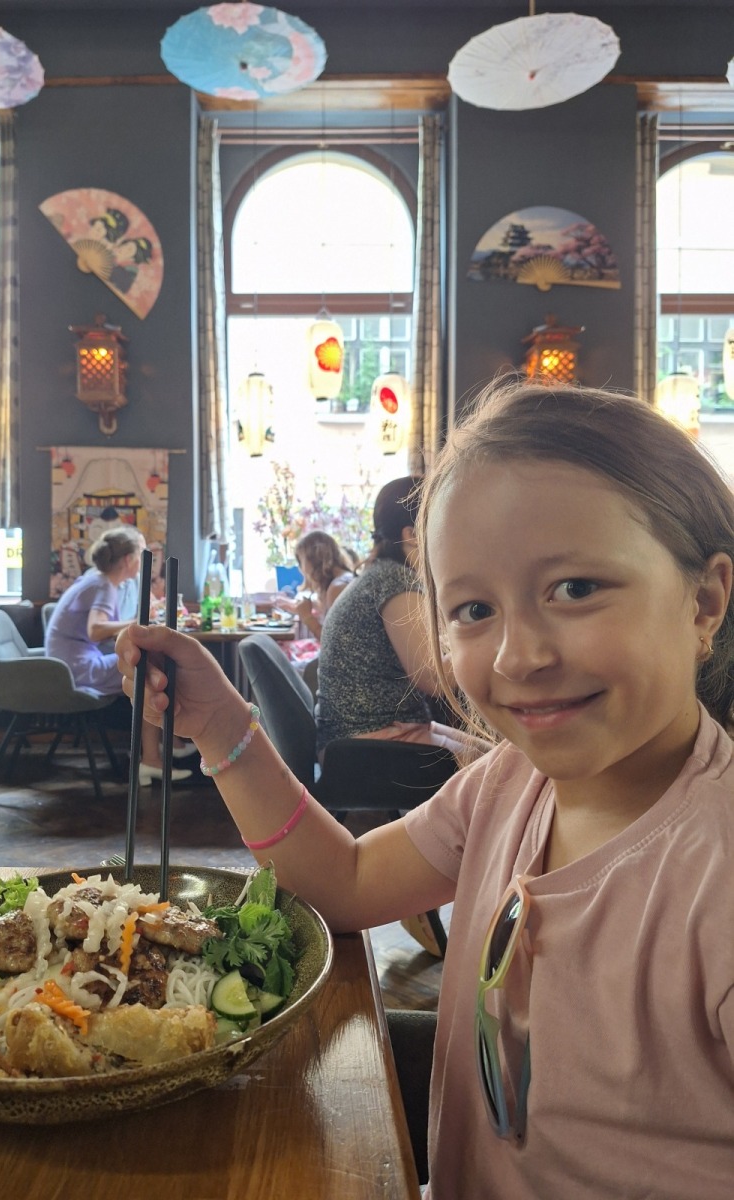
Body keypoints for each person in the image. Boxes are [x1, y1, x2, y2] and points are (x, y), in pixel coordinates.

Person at [115, 378, 734, 1198]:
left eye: (576, 589)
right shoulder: (505, 784)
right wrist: (221, 726)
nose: (517, 656)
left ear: (704, 600)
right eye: (474, 609)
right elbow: (345, 883)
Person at [315, 476, 472, 762]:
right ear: (411, 534)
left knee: (499, 758)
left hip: (366, 733)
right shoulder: (396, 582)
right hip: (368, 742)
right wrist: (487, 646)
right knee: (504, 771)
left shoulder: (382, 574)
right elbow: (433, 679)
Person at [46, 527, 189, 786]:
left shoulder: (99, 581)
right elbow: (96, 629)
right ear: (129, 559)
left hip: (69, 664)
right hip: (74, 670)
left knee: (150, 666)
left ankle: (168, 746)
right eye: (142, 553)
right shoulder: (103, 585)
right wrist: (138, 623)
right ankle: (152, 759)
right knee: (148, 670)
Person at [275, 529, 355, 641]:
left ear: (314, 560)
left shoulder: (338, 587)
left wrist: (307, 617)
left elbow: (333, 643)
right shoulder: (345, 579)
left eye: (301, 562)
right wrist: (302, 608)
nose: (301, 569)